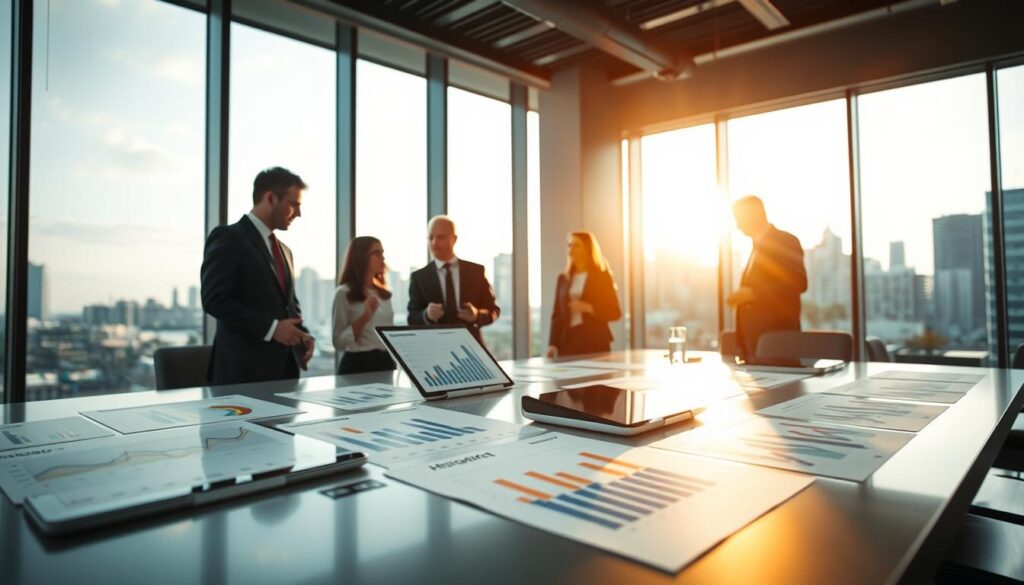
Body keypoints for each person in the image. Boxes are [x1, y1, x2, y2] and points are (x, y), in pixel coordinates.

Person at [201, 167, 314, 385]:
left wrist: (300, 334)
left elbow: (288, 305)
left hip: (283, 374)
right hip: (242, 375)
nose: (298, 213)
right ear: (270, 198)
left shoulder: (285, 251)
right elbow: (214, 300)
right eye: (294, 204)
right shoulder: (229, 237)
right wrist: (272, 329)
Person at [727, 195, 807, 360]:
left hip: (778, 344)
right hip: (755, 346)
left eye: (739, 219)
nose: (737, 226)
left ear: (753, 215)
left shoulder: (785, 241)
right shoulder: (756, 246)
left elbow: (798, 282)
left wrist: (753, 294)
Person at [407, 215, 499, 345]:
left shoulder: (476, 272)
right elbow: (412, 318)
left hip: (471, 346)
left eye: (440, 237)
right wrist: (426, 315)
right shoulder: (419, 277)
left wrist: (476, 315)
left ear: (454, 239)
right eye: (430, 237)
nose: (434, 243)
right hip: (434, 347)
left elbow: (493, 310)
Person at [546, 232, 622, 358]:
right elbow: (557, 314)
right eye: (569, 245)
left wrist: (588, 308)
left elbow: (615, 312)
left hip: (595, 341)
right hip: (567, 342)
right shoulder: (563, 279)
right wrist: (553, 344)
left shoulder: (602, 277)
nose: (571, 249)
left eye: (576, 245)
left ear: (588, 249)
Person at [332, 236, 397, 374]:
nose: (383, 258)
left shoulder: (384, 294)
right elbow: (338, 342)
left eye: (382, 253)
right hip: (358, 365)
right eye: (377, 253)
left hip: (386, 362)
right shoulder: (343, 293)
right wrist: (365, 316)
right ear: (361, 257)